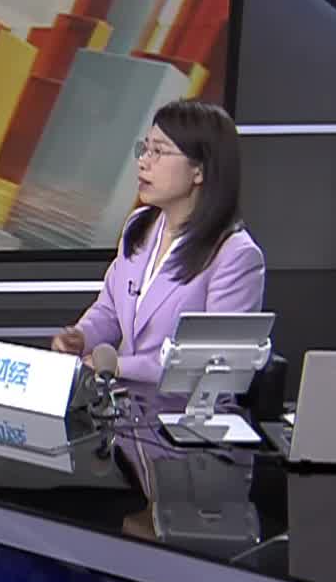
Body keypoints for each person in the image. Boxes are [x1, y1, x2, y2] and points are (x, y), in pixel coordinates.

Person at [52, 99, 264, 383]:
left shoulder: (235, 255)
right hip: (117, 401)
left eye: (159, 152)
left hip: (181, 409)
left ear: (199, 170)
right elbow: (110, 310)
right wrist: (81, 337)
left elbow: (216, 366)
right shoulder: (139, 225)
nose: (143, 161)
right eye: (145, 149)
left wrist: (120, 367)